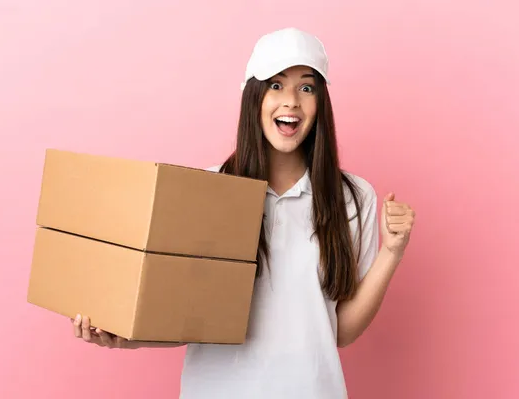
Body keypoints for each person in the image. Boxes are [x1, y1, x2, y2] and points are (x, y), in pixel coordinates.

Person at [72, 27, 416, 399]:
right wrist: (127, 338)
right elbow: (191, 317)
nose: (291, 102)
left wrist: (391, 252)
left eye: (306, 88)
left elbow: (341, 331)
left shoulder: (352, 197)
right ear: (253, 97)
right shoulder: (206, 190)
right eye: (275, 85)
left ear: (321, 103)